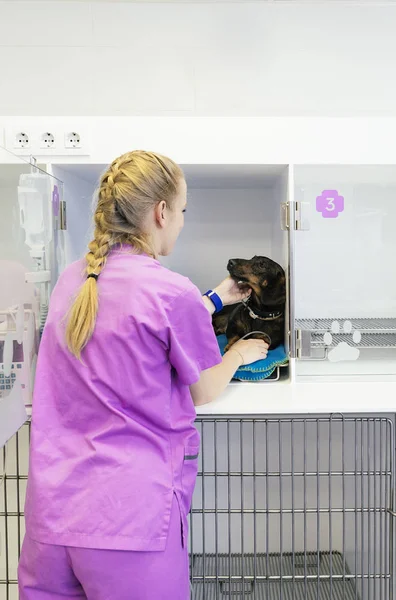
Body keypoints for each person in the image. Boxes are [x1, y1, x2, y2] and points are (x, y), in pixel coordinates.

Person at [18, 150, 269, 600]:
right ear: (161, 212)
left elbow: (128, 324)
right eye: (184, 210)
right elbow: (205, 389)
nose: (182, 222)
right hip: (127, 523)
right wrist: (237, 353)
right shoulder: (172, 291)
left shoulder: (72, 281)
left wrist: (212, 298)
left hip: (51, 520)